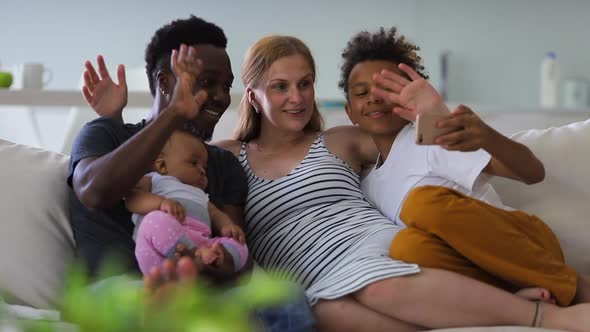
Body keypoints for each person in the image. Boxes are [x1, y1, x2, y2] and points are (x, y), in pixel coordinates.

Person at [212, 34, 589, 331]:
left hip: (376, 253)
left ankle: (549, 317)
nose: (296, 98)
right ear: (253, 97)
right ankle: (508, 303)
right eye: (280, 87)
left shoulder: (342, 140)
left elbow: (408, 133)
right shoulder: (226, 158)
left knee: (397, 252)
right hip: (310, 276)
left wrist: (432, 112)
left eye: (305, 83)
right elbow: (173, 169)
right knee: (328, 318)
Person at [74, 15, 316, 332]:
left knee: (287, 299)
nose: (220, 96)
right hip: (121, 291)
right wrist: (173, 114)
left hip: (200, 293)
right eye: (205, 82)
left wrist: (211, 261)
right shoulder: (108, 134)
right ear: (164, 83)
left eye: (226, 86)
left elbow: (237, 264)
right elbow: (94, 191)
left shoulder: (221, 163)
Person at [338, 26, 590, 309]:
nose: (374, 97)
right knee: (406, 247)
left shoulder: (430, 139)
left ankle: (575, 286)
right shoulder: (367, 185)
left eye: (387, 87)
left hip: (526, 243)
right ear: (350, 112)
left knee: (421, 203)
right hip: (485, 270)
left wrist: (486, 136)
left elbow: (533, 173)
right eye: (361, 92)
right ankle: (518, 296)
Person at [129, 130, 248, 277]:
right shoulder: (155, 180)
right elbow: (132, 199)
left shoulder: (200, 194)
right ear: (162, 166)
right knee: (153, 221)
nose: (203, 171)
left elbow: (215, 213)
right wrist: (160, 203)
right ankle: (193, 258)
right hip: (162, 251)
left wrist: (227, 226)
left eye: (204, 167)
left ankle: (206, 262)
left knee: (239, 245)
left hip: (202, 244)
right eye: (194, 163)